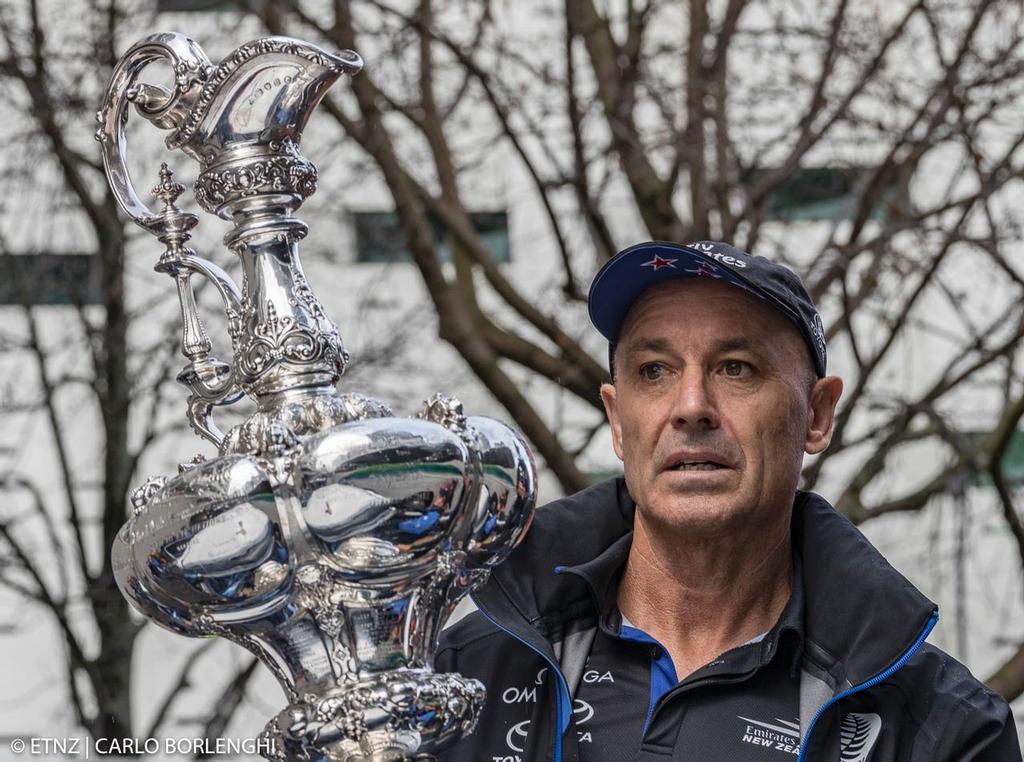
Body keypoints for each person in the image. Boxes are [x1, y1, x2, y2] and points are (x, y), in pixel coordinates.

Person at [434, 240, 1022, 761]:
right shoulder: (457, 676)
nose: (690, 405)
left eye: (736, 368)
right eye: (654, 370)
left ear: (817, 416)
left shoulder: (941, 730)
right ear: (617, 421)